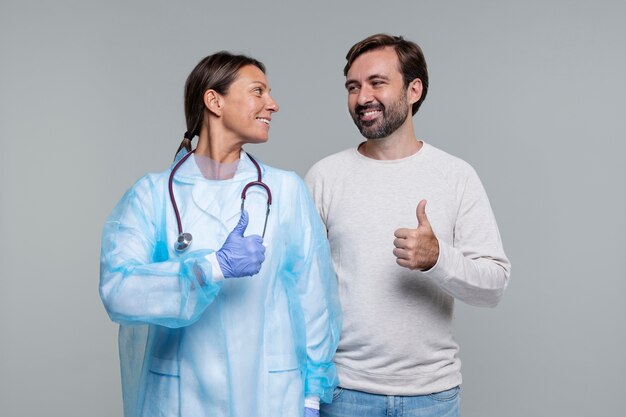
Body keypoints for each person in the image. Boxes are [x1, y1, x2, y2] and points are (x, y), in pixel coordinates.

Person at [100, 51, 341, 417]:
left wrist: (311, 395)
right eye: (258, 91)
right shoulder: (153, 195)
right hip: (182, 394)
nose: (273, 105)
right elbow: (118, 291)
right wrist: (212, 267)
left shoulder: (285, 190)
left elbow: (314, 300)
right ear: (214, 101)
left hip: (271, 393)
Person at [305, 34, 511, 416]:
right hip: (344, 392)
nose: (362, 96)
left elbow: (493, 287)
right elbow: (301, 291)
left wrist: (438, 259)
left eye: (377, 83)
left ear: (414, 89)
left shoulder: (455, 176)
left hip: (432, 397)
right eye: (353, 87)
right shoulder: (324, 177)